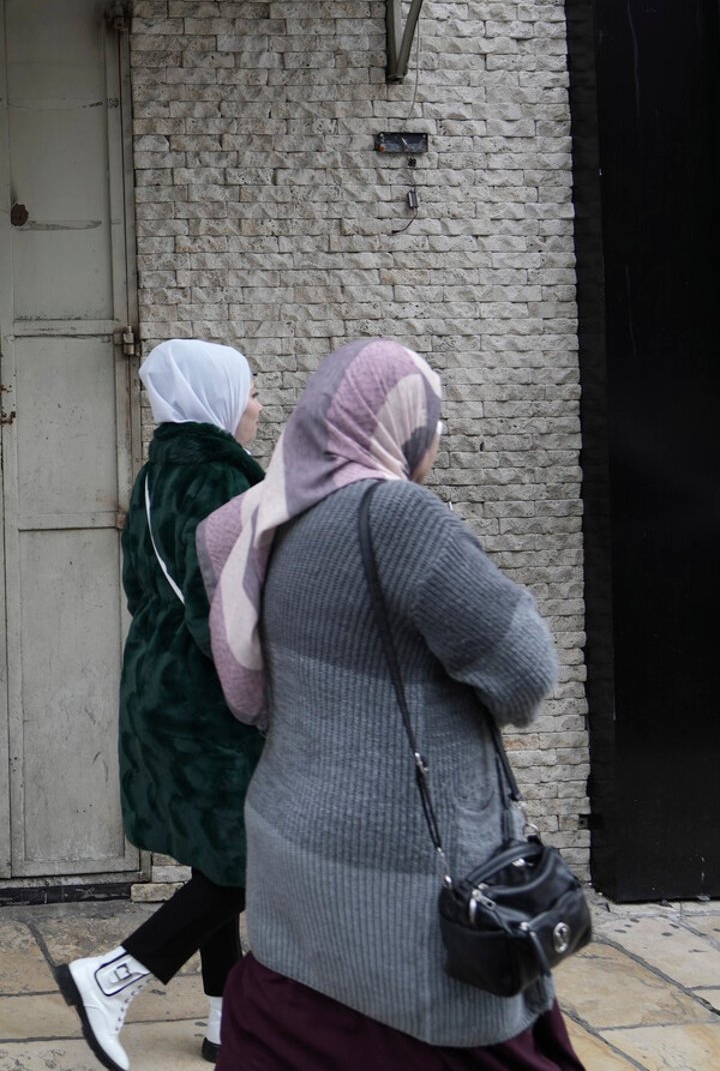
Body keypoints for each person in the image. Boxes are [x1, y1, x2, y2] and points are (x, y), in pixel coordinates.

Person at [196, 339, 583, 1068]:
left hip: (293, 859)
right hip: (399, 877)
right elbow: (527, 673)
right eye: (430, 421)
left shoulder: (265, 523)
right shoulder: (397, 516)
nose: (435, 440)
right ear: (400, 423)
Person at [54, 339, 266, 1070]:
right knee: (245, 860)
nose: (259, 405)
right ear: (218, 402)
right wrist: (261, 690)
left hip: (154, 684)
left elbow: (145, 588)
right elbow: (225, 609)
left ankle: (223, 1018)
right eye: (250, 391)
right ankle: (114, 976)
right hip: (209, 698)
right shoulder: (221, 481)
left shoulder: (154, 475)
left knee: (215, 853)